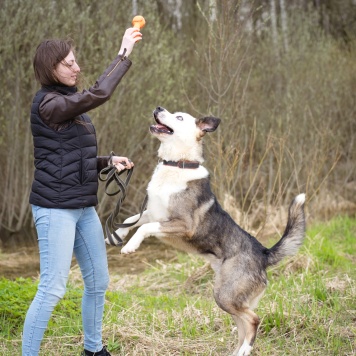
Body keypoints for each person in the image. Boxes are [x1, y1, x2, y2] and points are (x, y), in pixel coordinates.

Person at [22, 26, 142, 356]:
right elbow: (98, 94)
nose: (77, 68)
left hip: (83, 207)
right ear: (51, 69)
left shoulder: (69, 105)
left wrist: (107, 160)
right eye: (69, 64)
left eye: (76, 62)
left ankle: (93, 350)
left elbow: (70, 154)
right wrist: (123, 54)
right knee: (52, 287)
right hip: (55, 208)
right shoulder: (49, 104)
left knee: (98, 282)